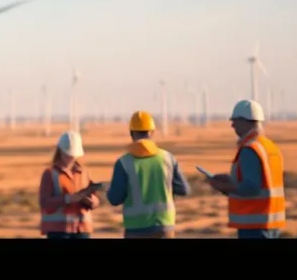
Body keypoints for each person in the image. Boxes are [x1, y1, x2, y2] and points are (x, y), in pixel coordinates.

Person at [105, 110, 191, 238]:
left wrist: (107, 189)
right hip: (164, 226)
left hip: (135, 229)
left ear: (131, 133)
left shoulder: (123, 163)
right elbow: (184, 190)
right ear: (152, 132)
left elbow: (115, 198)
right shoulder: (168, 158)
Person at [207, 100, 285, 238]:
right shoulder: (269, 147)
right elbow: (263, 183)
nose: (232, 125)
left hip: (254, 224)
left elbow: (251, 188)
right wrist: (230, 182)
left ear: (246, 121)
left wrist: (225, 187)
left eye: (235, 121)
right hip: (271, 222)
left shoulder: (250, 149)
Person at [38, 130, 100, 238]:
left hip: (82, 229)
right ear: (60, 151)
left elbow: (95, 199)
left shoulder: (83, 173)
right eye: (68, 154)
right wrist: (68, 199)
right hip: (59, 231)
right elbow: (44, 202)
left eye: (74, 155)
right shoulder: (50, 174)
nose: (71, 157)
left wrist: (93, 202)